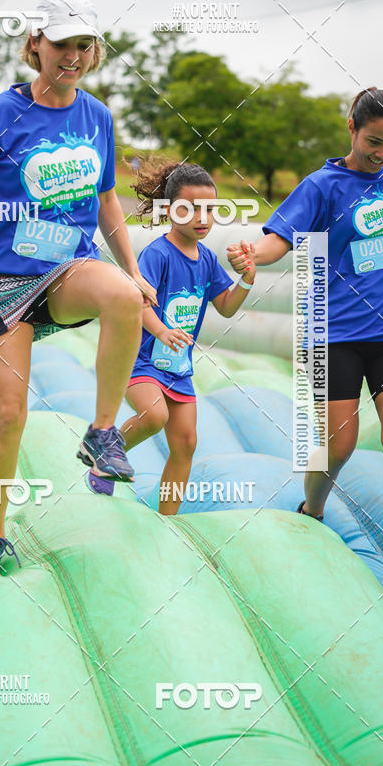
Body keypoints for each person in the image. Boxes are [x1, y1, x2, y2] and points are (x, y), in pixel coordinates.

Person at [0, 0, 157, 576]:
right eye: (61, 43)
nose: (72, 55)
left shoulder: (97, 116)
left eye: (83, 44)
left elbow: (106, 199)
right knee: (7, 413)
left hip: (66, 270)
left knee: (124, 296)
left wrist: (132, 268)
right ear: (35, 45)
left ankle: (102, 432)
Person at [227, 87, 383, 593]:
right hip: (335, 334)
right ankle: (314, 506)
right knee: (338, 445)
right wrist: (252, 255)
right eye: (374, 142)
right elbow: (280, 237)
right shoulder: (323, 186)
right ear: (351, 126)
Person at [87, 160, 254, 512]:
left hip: (178, 368)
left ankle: (167, 519)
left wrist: (247, 281)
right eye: (190, 208)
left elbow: (224, 306)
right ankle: (105, 451)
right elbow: (138, 299)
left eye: (209, 209)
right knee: (154, 416)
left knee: (186, 444)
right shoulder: (159, 254)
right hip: (142, 361)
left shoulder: (207, 259)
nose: (202, 217)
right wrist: (161, 330)